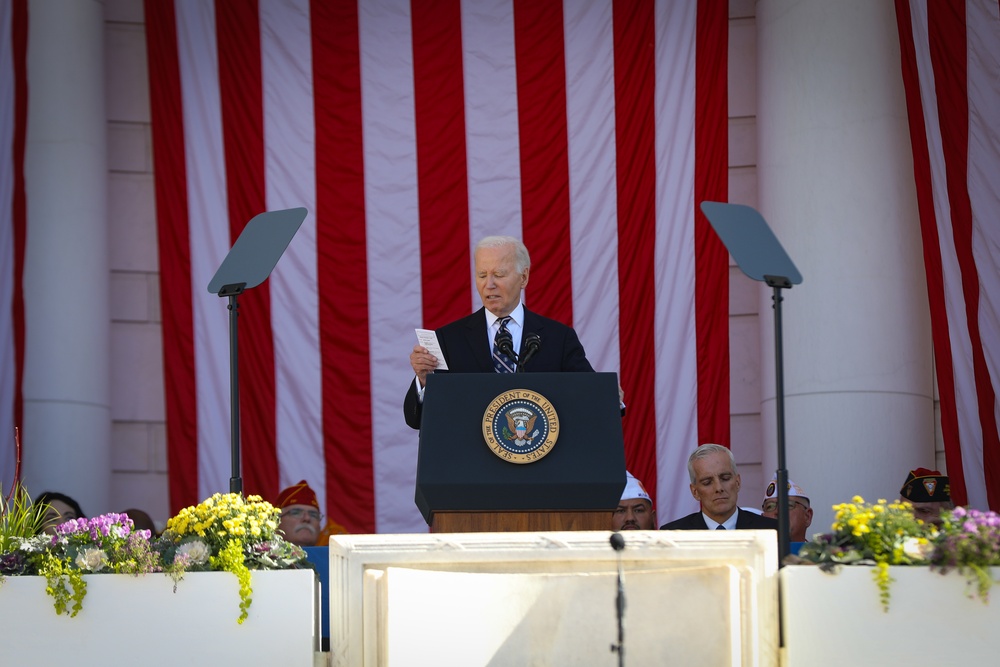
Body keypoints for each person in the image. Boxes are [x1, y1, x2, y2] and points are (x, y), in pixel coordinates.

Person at [403, 236, 600, 430]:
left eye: (498, 274)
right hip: (472, 459)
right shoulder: (448, 339)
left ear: (523, 277)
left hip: (538, 454)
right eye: (482, 275)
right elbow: (418, 420)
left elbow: (590, 398)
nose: (489, 284)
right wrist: (424, 381)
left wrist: (607, 395)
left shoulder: (559, 338)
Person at [660, 444, 777, 531]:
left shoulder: (772, 530)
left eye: (725, 478)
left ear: (737, 482)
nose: (719, 488)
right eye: (707, 482)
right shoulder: (672, 535)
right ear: (695, 492)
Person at [761, 475, 813, 542]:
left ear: (807, 516)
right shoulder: (751, 552)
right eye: (770, 506)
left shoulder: (824, 552)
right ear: (762, 518)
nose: (778, 511)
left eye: (787, 505)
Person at [274, 480, 323, 547]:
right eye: (296, 513)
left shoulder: (332, 556)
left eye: (313, 515)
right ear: (276, 522)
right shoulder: (257, 555)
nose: (307, 518)